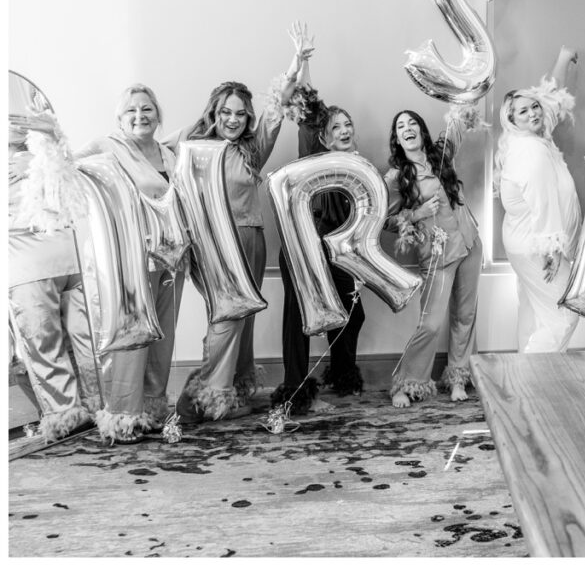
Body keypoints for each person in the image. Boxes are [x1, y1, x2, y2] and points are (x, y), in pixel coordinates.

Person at [171, 23, 311, 422]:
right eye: (226, 112)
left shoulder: (252, 149)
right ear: (214, 112)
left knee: (243, 317)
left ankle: (230, 391)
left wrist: (295, 64)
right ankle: (203, 396)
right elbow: (153, 160)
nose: (233, 119)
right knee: (226, 316)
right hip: (213, 245)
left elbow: (276, 108)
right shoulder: (192, 146)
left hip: (250, 239)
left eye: (240, 113)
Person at [76, 84, 185, 443]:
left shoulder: (168, 153)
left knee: (162, 336)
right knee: (132, 338)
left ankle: (151, 408)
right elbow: (69, 167)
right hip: (130, 262)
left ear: (158, 114)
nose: (140, 116)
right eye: (131, 111)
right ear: (120, 120)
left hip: (170, 259)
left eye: (147, 109)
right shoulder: (108, 147)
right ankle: (123, 416)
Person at [271, 47, 366, 415]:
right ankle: (295, 391)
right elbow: (310, 113)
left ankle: (342, 375)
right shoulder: (315, 156)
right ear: (323, 138)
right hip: (303, 246)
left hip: (337, 252)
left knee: (352, 312)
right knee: (299, 318)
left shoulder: (360, 167)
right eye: (335, 127)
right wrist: (303, 64)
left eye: (347, 124)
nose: (344, 130)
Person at [8, 115, 100, 442]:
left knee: (86, 341)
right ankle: (67, 415)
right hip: (25, 260)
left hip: (69, 256)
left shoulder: (49, 155)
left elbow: (78, 189)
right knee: (42, 338)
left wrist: (44, 160)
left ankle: (95, 408)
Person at [385, 109, 480, 408]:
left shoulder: (441, 157)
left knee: (465, 316)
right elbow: (385, 221)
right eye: (401, 126)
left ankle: (458, 378)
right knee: (431, 324)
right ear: (397, 139)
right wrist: (418, 213)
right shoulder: (396, 177)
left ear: (421, 130)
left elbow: (460, 121)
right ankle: (404, 382)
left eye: (412, 123)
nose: (407, 128)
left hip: (469, 244)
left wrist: (463, 102)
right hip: (437, 255)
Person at [494, 46, 581, 353]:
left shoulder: (531, 138)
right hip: (537, 246)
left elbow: (551, 99)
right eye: (523, 111)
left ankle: (522, 372)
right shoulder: (531, 152)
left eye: (535, 107)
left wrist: (563, 58)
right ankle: (536, 374)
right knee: (565, 312)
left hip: (524, 241)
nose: (533, 113)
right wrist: (552, 249)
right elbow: (542, 202)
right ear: (512, 120)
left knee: (533, 311)